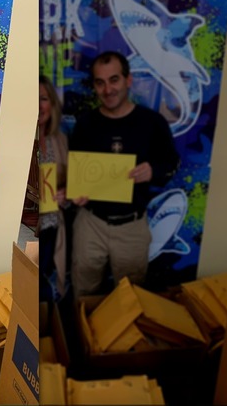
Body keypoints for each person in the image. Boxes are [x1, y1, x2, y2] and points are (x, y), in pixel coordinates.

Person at [69, 51, 180, 296]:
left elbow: (171, 161)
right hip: (91, 222)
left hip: (132, 224)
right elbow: (77, 168)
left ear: (128, 80)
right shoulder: (86, 123)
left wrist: (153, 169)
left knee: (132, 294)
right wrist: (76, 192)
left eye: (114, 80)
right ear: (95, 87)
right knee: (84, 291)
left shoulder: (152, 122)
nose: (108, 89)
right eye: (100, 82)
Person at [38, 75, 70, 302]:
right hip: (22, 229)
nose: (38, 106)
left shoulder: (61, 141)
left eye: (43, 98)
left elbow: (77, 182)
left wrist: (66, 193)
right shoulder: (20, 138)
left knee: (43, 285)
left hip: (51, 224)